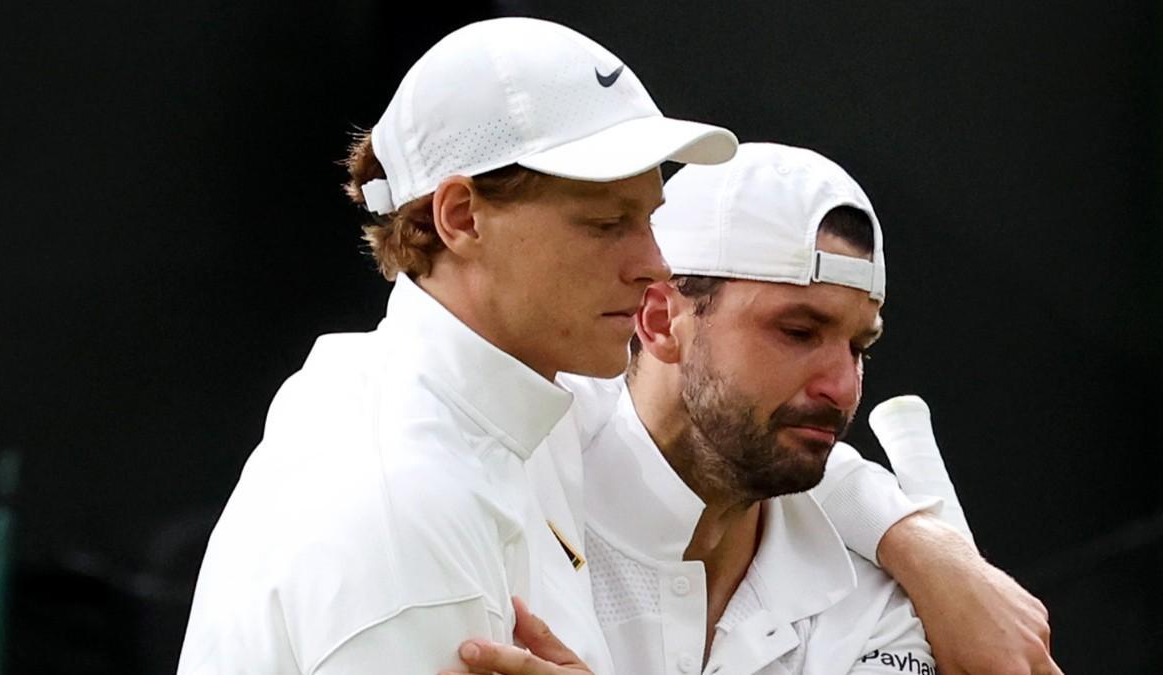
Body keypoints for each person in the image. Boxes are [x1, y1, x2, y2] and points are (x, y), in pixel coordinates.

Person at [177, 17, 738, 674]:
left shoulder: (483, 387)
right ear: (461, 218)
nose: (655, 264)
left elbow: (753, 428)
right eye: (607, 223)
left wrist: (886, 522)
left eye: (648, 218)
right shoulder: (406, 503)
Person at [449, 144, 1061, 675]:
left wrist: (915, 543)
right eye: (798, 331)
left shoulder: (878, 597)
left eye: (859, 345)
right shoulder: (503, 482)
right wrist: (911, 535)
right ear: (661, 320)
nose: (842, 386)